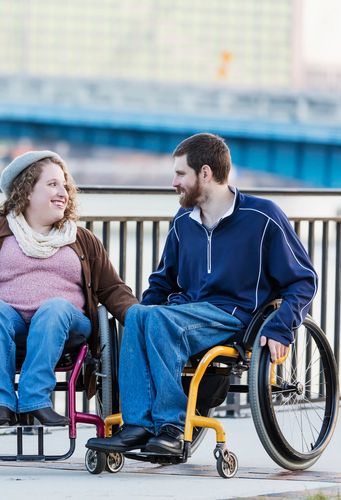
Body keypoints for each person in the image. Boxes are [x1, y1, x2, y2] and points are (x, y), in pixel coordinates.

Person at [86, 133, 317, 455]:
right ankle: (138, 424)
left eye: (180, 174)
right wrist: (144, 317)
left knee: (158, 322)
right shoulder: (183, 220)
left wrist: (282, 326)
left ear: (205, 173)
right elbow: (163, 281)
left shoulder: (262, 217)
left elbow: (303, 281)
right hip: (187, 313)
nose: (173, 182)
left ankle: (171, 426)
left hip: (235, 316)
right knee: (139, 314)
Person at [0, 150, 137, 428]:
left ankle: (35, 399)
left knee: (54, 308)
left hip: (66, 331)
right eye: (52, 184)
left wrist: (141, 320)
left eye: (65, 185)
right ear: (26, 190)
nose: (63, 191)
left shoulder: (81, 239)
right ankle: (1, 402)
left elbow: (112, 289)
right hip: (7, 330)